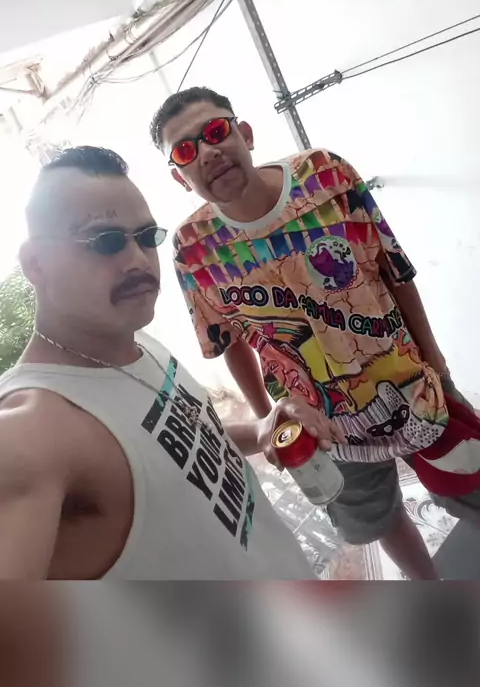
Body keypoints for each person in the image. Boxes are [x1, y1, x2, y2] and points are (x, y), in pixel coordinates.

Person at [151, 86, 480, 581]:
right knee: (379, 517)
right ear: (180, 177)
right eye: (185, 150)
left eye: (216, 131)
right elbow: (228, 340)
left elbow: (393, 269)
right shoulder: (193, 248)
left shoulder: (325, 175)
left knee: (469, 480)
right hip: (319, 422)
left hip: (412, 382)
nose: (207, 151)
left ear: (245, 134)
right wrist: (268, 420)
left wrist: (436, 361)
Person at [0, 145, 330, 580]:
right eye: (106, 242)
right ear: (36, 264)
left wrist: (258, 430)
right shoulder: (31, 431)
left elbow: (178, 443)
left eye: (145, 237)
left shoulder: (134, 342)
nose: (137, 260)